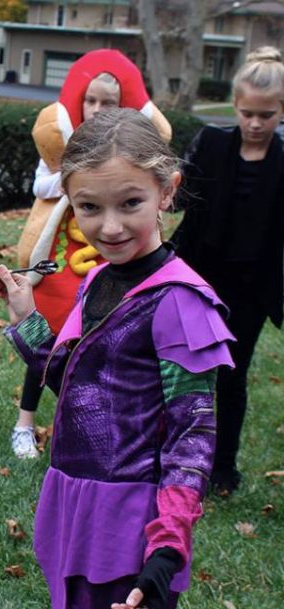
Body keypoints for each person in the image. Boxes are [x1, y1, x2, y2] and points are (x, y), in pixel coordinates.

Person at [0, 108, 234, 609]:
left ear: (167, 191)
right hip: (76, 504)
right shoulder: (99, 280)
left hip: (132, 527)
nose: (111, 226)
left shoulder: (178, 301)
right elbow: (83, 390)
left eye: (130, 203)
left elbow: (193, 434)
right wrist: (27, 317)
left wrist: (167, 546)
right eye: (90, 207)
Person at [11, 50, 173, 459]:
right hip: (61, 266)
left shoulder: (173, 295)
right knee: (55, 337)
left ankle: (89, 421)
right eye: (91, 100)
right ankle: (26, 422)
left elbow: (194, 411)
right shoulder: (58, 154)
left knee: (99, 345)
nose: (98, 109)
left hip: (107, 269)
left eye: (109, 102)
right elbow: (43, 189)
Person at [170, 47, 284, 496]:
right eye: (247, 113)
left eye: (267, 115)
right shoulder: (212, 144)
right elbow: (179, 200)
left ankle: (222, 468)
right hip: (199, 276)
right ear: (234, 106)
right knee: (183, 370)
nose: (255, 123)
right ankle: (174, 454)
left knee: (232, 378)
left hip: (252, 288)